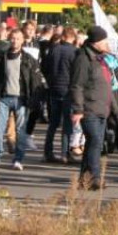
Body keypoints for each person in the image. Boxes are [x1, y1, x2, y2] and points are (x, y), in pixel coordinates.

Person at [0, 27, 43, 171]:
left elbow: (35, 81)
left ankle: (18, 159)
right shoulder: (2, 58)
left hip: (21, 99)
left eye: (18, 38)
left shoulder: (28, 60)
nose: (14, 41)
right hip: (4, 98)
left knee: (21, 131)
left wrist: (34, 100)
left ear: (22, 40)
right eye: (12, 38)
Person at [70, 26, 117, 190]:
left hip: (101, 108)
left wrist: (115, 111)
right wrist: (77, 109)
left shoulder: (101, 59)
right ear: (96, 42)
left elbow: (108, 85)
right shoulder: (83, 59)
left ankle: (84, 179)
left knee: (92, 143)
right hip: (89, 108)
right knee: (95, 141)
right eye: (104, 40)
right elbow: (77, 86)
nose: (107, 43)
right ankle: (95, 178)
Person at [42, 27, 78, 163]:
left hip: (54, 88)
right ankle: (65, 153)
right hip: (68, 89)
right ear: (73, 38)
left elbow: (44, 67)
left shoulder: (53, 49)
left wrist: (51, 81)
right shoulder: (74, 52)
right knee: (67, 123)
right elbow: (76, 72)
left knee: (53, 122)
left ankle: (48, 151)